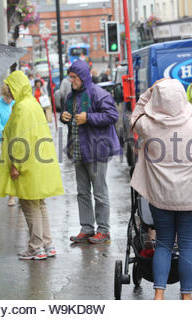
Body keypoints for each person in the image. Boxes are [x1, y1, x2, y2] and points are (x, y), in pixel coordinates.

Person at [131, 78, 192, 300]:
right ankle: (186, 295)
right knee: (186, 244)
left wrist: (149, 92)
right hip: (191, 198)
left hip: (160, 198)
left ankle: (159, 293)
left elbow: (135, 116)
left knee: (163, 243)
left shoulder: (148, 126)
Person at [0, 71, 64, 260]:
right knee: (40, 205)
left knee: (29, 205)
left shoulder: (22, 107)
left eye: (8, 88)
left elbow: (20, 139)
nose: (7, 91)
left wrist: (16, 164)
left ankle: (36, 247)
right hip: (38, 163)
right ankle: (47, 244)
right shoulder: (32, 104)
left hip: (28, 165)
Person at [60, 60, 120, 244]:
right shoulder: (72, 96)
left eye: (74, 77)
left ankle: (103, 230)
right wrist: (64, 117)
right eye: (70, 77)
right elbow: (70, 117)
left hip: (96, 151)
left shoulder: (98, 93)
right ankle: (87, 228)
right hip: (78, 150)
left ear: (83, 76)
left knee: (100, 193)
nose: (72, 81)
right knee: (82, 192)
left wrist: (89, 117)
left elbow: (112, 115)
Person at [0, 84, 16, 206]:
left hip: (17, 138)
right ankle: (11, 196)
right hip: (4, 139)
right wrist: (6, 134)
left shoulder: (15, 103)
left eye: (10, 98)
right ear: (3, 96)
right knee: (8, 167)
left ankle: (20, 192)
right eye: (7, 98)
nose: (9, 100)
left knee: (19, 165)